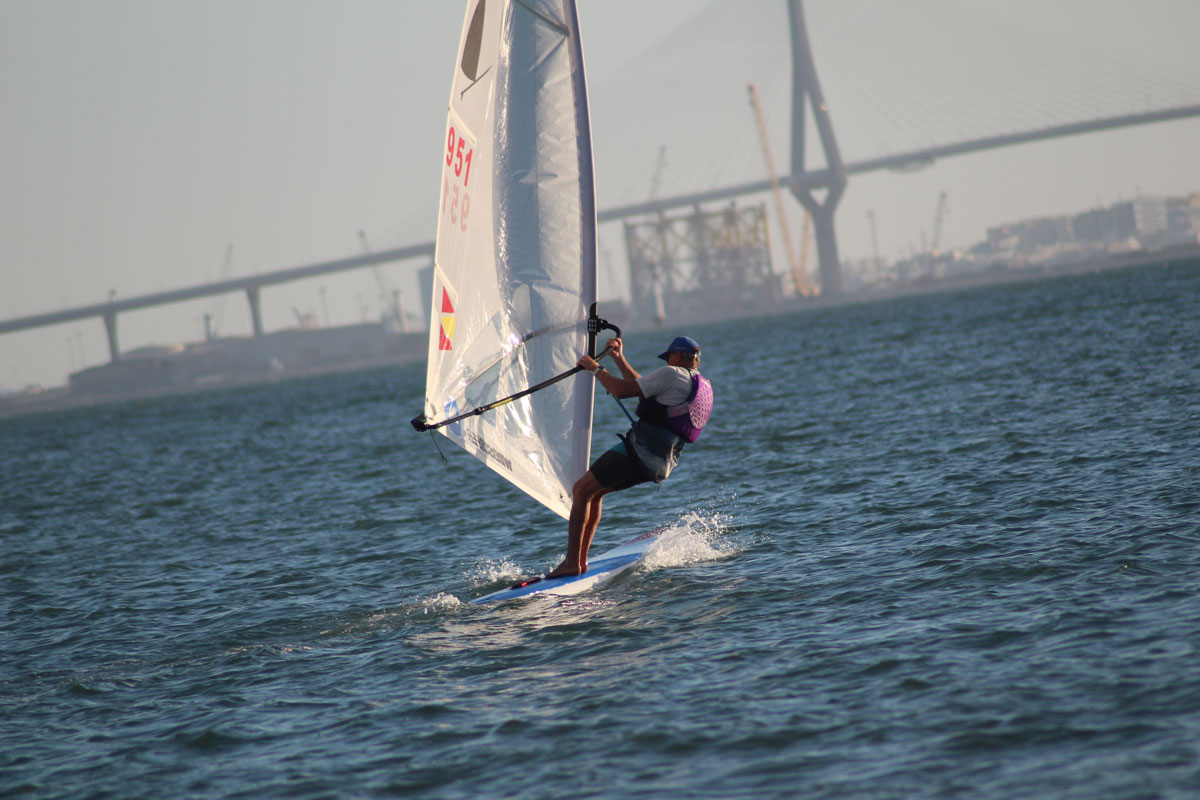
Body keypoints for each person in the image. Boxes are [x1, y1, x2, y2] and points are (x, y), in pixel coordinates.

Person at [545, 335, 713, 578]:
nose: (667, 362)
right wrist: (619, 359)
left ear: (676, 357)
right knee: (594, 492)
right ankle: (578, 562)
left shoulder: (672, 373)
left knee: (581, 490)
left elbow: (621, 391)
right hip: (660, 463)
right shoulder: (699, 383)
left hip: (639, 452)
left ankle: (573, 562)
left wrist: (595, 369)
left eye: (669, 358)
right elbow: (644, 388)